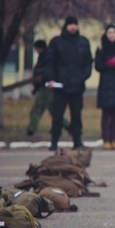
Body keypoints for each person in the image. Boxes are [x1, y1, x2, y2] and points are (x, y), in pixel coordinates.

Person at [44, 16, 92, 150]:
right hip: (61, 86)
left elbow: (88, 62)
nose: (73, 27)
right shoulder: (57, 42)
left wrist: (83, 76)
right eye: (70, 25)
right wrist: (51, 79)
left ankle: (77, 141)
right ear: (66, 26)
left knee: (76, 115)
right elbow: (50, 62)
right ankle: (54, 141)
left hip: (77, 86)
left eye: (74, 25)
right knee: (57, 116)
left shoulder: (83, 42)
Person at [27, 40, 70, 137]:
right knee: (55, 112)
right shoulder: (45, 57)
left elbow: (45, 73)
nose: (36, 51)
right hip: (48, 88)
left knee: (37, 110)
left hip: (46, 88)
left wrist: (38, 84)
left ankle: (31, 129)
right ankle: (69, 127)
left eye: (37, 48)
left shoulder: (46, 58)